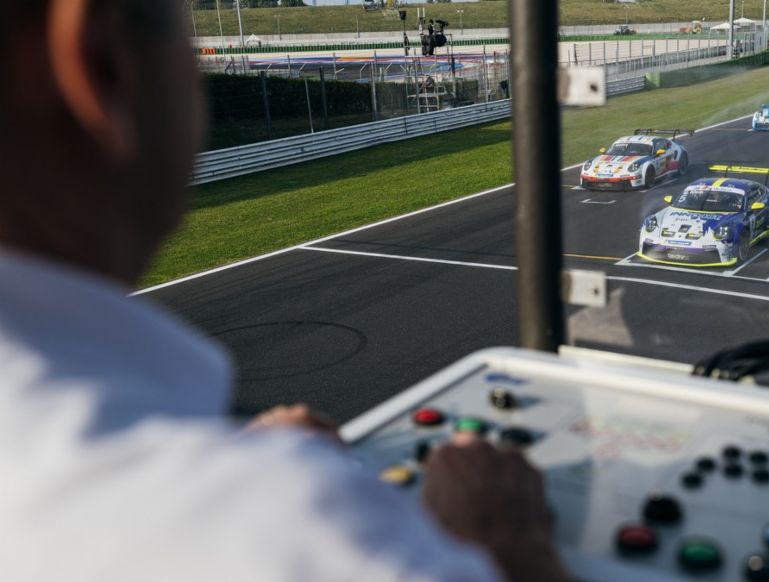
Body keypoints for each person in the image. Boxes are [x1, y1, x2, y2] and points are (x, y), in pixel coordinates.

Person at [0, 2, 567, 581]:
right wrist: (510, 547)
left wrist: (241, 458)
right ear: (102, 60)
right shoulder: (290, 527)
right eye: (187, 43)